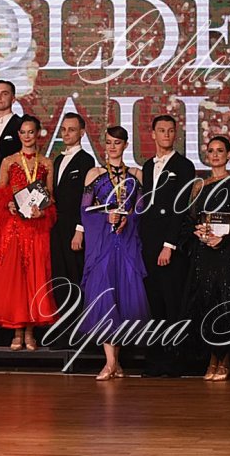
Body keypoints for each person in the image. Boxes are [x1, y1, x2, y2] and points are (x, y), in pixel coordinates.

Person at [77, 126, 150, 380]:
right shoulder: (94, 173)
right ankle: (109, 363)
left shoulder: (137, 174)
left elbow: (141, 209)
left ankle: (115, 363)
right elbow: (85, 211)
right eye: (108, 142)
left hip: (126, 244)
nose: (112, 147)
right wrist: (105, 217)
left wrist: (128, 218)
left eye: (117, 143)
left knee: (121, 300)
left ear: (125, 145)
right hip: (102, 244)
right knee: (104, 299)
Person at [0, 115, 58, 351]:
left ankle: (30, 331)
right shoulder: (9, 161)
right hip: (14, 227)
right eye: (23, 132)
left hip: (36, 228)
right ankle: (16, 330)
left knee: (35, 278)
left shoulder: (47, 163)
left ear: (38, 133)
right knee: (15, 279)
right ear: (18, 135)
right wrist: (8, 204)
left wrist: (42, 211)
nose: (26, 136)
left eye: (31, 132)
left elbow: (50, 198)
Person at [180, 136, 230, 382]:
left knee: (227, 303)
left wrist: (225, 239)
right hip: (205, 253)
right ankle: (212, 358)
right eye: (211, 151)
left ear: (229, 154)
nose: (215, 155)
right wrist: (197, 231)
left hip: (227, 252)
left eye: (220, 150)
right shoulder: (199, 186)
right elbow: (190, 219)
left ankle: (227, 359)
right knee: (206, 304)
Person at [139, 115, 196, 377]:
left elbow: (180, 209)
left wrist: (169, 245)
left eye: (170, 131)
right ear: (153, 134)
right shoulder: (148, 166)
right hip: (149, 243)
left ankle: (175, 361)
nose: (166, 135)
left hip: (170, 245)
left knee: (173, 303)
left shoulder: (184, 166)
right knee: (154, 304)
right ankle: (155, 361)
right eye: (161, 130)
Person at [51, 113, 95, 301]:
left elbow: (87, 198)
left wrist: (79, 230)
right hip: (57, 225)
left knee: (74, 273)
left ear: (82, 132)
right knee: (58, 274)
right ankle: (62, 314)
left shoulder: (86, 160)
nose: (66, 133)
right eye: (63, 129)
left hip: (74, 226)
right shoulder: (57, 160)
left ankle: (77, 316)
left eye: (72, 129)